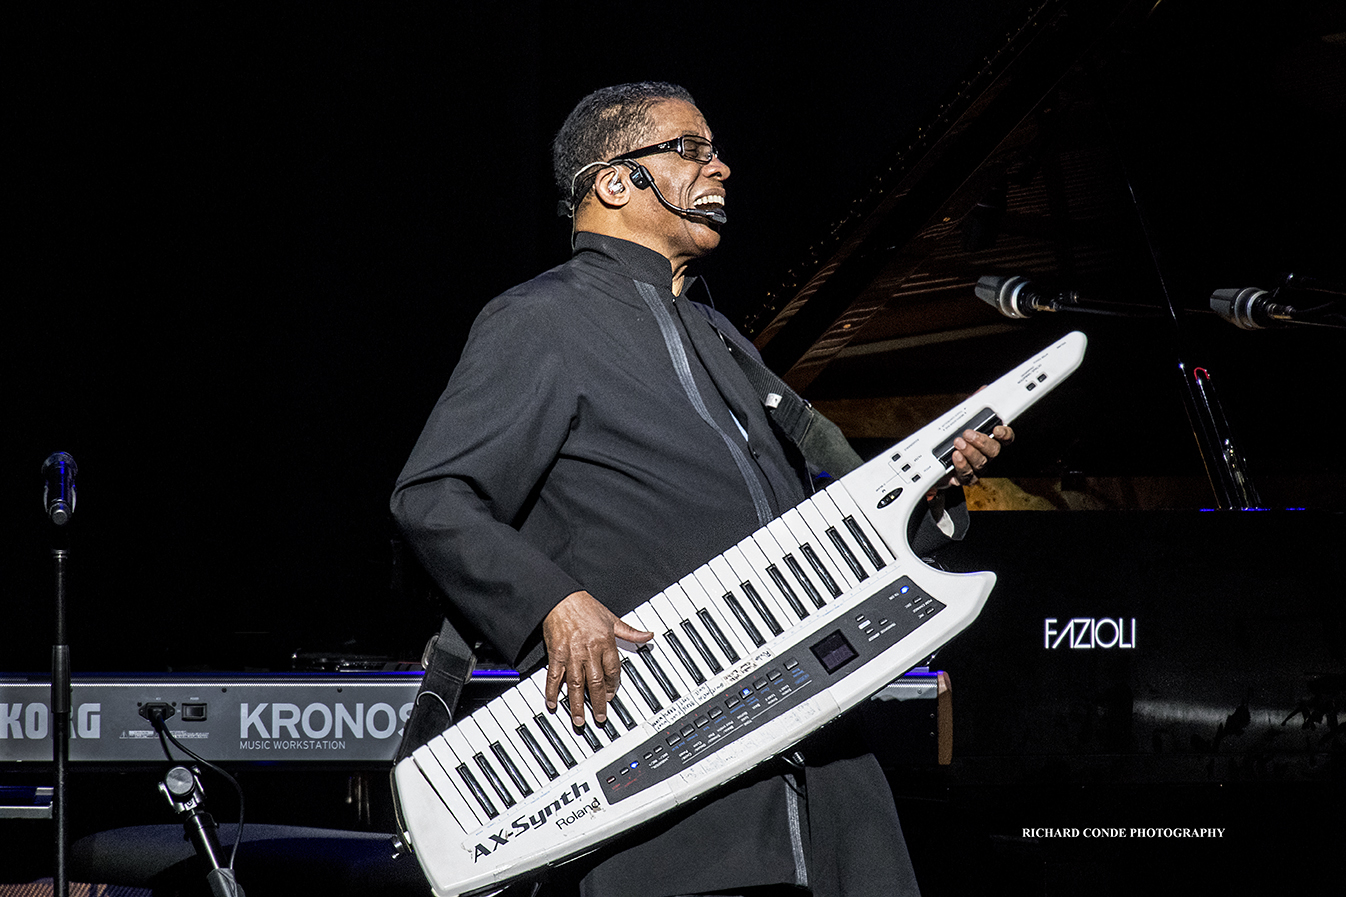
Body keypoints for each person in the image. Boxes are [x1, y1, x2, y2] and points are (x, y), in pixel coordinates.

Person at [391, 82, 1012, 897]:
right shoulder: (539, 319)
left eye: (713, 148)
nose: (719, 165)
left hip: (826, 771)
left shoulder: (722, 340)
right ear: (615, 181)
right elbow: (433, 496)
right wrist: (552, 600)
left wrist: (927, 495)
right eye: (690, 148)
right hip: (670, 784)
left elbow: (818, 536)